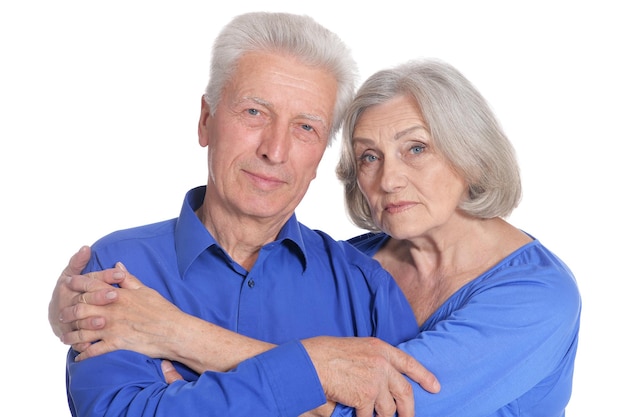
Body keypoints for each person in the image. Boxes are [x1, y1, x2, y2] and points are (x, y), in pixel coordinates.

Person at [52, 57, 581, 416]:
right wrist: (69, 313)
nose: (387, 179)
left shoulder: (538, 297)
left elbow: (378, 404)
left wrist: (177, 335)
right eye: (369, 156)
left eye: (416, 148)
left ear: (470, 150)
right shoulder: (353, 265)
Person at [48, 11, 441, 417]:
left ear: (321, 153)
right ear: (206, 121)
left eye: (306, 127)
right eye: (254, 112)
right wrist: (318, 385)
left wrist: (193, 386)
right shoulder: (118, 269)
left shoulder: (367, 289)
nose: (275, 149)